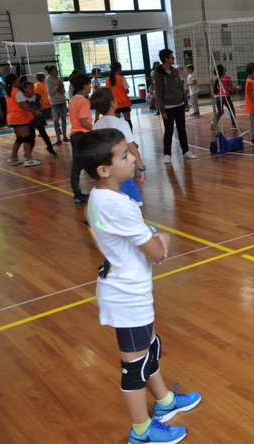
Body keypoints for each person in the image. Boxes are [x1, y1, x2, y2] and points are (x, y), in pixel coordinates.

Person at [76, 128, 201, 444]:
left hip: (128, 290)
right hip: (127, 296)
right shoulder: (118, 205)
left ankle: (165, 402)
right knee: (135, 366)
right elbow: (156, 253)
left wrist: (150, 234)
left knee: (149, 348)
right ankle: (141, 432)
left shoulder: (101, 196)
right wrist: (164, 237)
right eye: (124, 156)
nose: (132, 158)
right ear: (104, 170)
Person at [90, 88, 146, 206]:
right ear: (112, 103)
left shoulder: (96, 125)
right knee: (130, 203)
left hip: (106, 171)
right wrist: (141, 168)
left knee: (112, 201)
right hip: (120, 169)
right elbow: (132, 147)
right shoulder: (122, 124)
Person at [154, 49, 197, 164]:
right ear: (166, 58)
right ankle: (167, 154)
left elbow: (181, 87)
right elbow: (158, 93)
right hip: (168, 106)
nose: (173, 58)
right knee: (169, 130)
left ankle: (186, 151)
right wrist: (162, 110)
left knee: (182, 129)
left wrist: (185, 102)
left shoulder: (174, 71)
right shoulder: (158, 73)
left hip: (179, 104)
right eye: (171, 56)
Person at [4, 74, 42, 166]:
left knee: (19, 138)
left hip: (11, 118)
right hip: (19, 117)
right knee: (27, 138)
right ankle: (28, 159)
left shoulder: (8, 91)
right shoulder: (17, 92)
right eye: (17, 79)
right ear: (14, 80)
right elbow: (22, 105)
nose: (18, 80)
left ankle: (13, 157)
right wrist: (34, 111)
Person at [69, 73, 93, 201]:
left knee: (76, 166)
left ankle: (77, 195)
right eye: (89, 84)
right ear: (84, 86)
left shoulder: (73, 99)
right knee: (96, 161)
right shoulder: (84, 101)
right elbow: (83, 121)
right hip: (82, 135)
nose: (91, 87)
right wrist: (96, 130)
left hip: (74, 135)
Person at [22, 78, 58, 157]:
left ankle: (50, 148)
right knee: (32, 137)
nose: (32, 89)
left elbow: (41, 107)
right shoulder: (22, 99)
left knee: (44, 134)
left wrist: (35, 111)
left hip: (38, 119)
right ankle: (28, 151)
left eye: (33, 88)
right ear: (25, 89)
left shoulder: (37, 97)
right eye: (30, 88)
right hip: (29, 120)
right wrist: (32, 111)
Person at [104, 62, 134, 131]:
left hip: (114, 103)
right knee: (128, 120)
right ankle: (129, 134)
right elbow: (127, 91)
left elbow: (107, 92)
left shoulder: (108, 80)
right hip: (124, 102)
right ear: (118, 69)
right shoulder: (122, 78)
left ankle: (118, 136)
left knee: (116, 122)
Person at [211, 64, 239, 132]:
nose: (225, 67)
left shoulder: (218, 79)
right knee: (232, 110)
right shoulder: (227, 77)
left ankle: (213, 121)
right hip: (225, 97)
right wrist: (237, 88)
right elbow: (231, 88)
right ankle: (233, 126)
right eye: (224, 67)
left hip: (217, 97)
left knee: (220, 111)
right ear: (222, 70)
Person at [46, 65, 69, 145]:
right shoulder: (48, 80)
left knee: (64, 118)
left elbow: (63, 91)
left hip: (62, 101)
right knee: (55, 120)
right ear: (51, 72)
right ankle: (58, 138)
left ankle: (65, 136)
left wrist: (61, 87)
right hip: (54, 102)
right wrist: (57, 85)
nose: (57, 71)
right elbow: (50, 92)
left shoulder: (59, 78)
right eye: (55, 70)